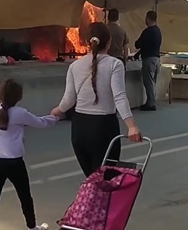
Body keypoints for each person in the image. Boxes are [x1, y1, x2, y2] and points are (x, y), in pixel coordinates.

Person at [51, 22, 142, 178]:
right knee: (106, 180)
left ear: (87, 42)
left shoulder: (74, 66)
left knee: (92, 179)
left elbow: (69, 100)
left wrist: (56, 111)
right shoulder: (115, 64)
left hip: (80, 129)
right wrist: (131, 126)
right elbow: (119, 96)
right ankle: (102, 203)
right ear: (109, 41)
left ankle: (91, 203)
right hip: (104, 128)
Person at [0, 79, 58, 230]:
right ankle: (32, 227)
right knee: (25, 197)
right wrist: (55, 116)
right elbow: (41, 123)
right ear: (18, 96)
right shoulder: (20, 113)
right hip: (14, 163)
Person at [134, 10, 162, 111]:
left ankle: (150, 103)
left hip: (149, 59)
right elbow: (147, 46)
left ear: (148, 18)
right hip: (157, 59)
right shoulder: (158, 31)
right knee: (153, 82)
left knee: (148, 82)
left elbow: (138, 44)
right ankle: (151, 101)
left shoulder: (148, 31)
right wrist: (138, 54)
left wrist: (137, 51)